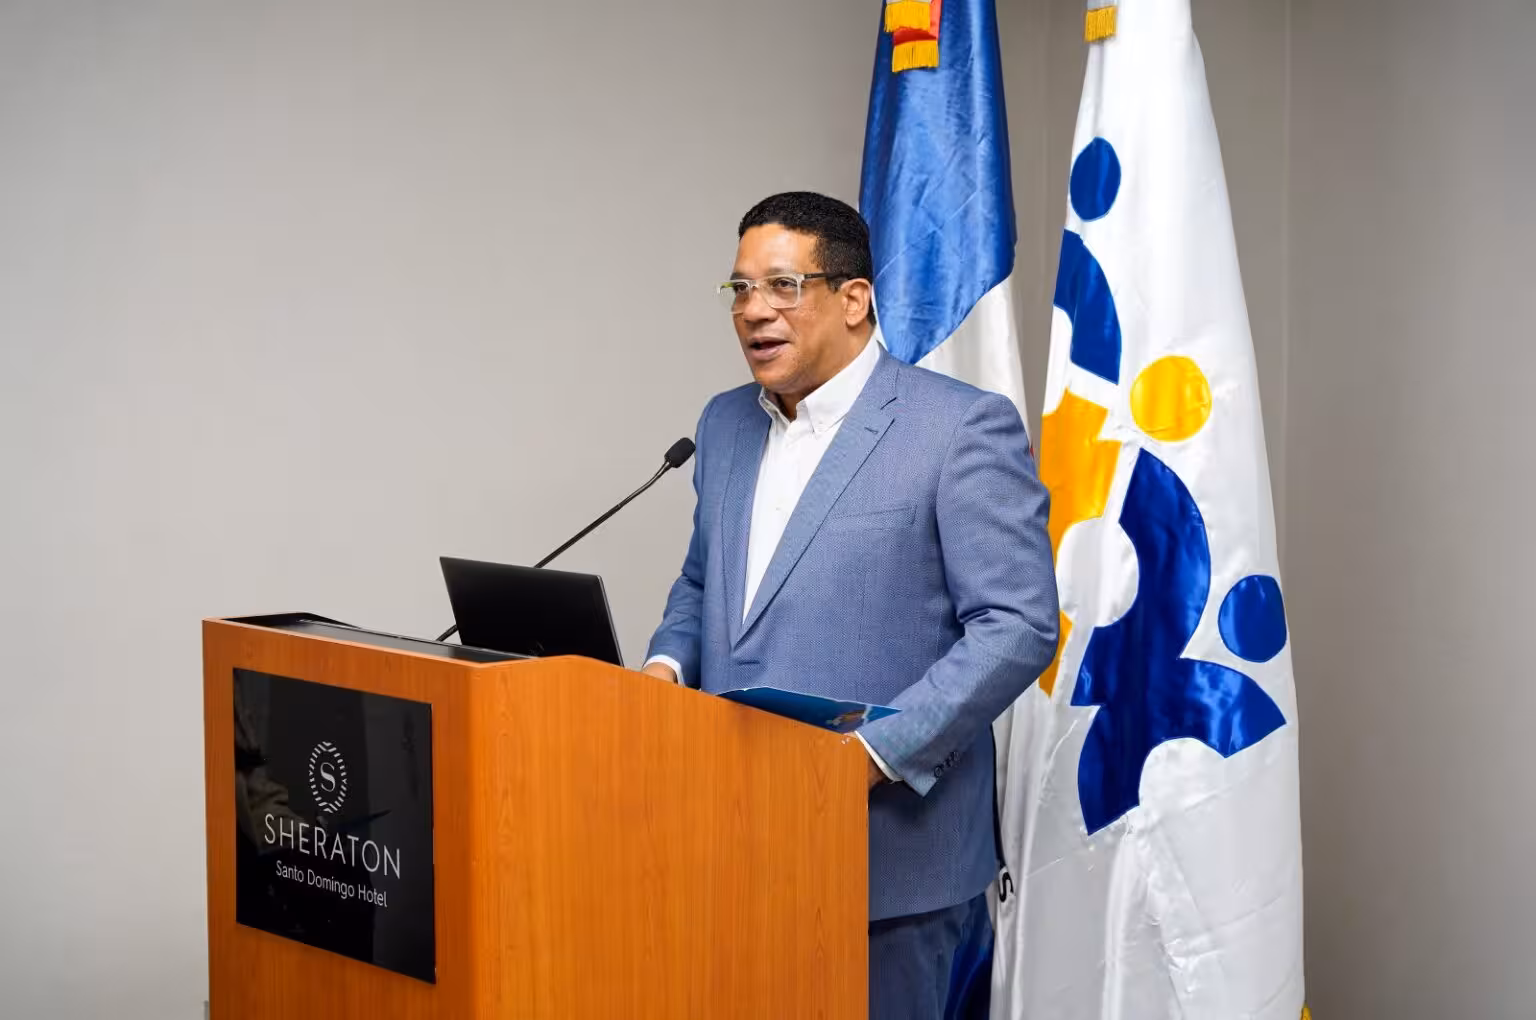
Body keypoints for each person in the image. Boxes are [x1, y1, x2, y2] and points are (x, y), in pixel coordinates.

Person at [642, 191, 1057, 1020]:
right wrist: (664, 668)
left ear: (854, 298)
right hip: (733, 844)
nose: (753, 310)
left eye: (782, 286)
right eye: (740, 289)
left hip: (891, 865)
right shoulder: (723, 426)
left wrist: (874, 753)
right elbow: (702, 584)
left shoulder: (959, 428)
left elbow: (1018, 625)